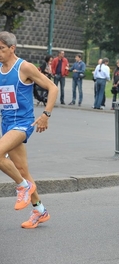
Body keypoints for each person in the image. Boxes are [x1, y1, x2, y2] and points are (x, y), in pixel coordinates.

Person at [0, 31, 58, 228]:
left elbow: (53, 88)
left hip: (23, 123)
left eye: (2, 49)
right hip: (7, 123)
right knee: (22, 169)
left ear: (12, 48)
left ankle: (22, 187)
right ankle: (40, 211)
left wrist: (46, 115)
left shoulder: (24, 67)